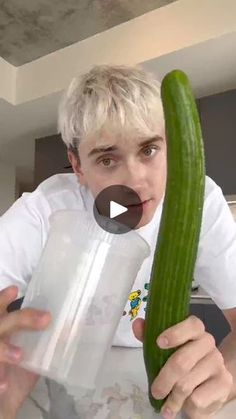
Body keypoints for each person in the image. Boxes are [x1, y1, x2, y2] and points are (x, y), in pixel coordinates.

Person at [0, 64, 236, 419]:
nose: (135, 180)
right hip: (57, 377)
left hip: (153, 383)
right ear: (78, 166)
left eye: (149, 150)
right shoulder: (48, 208)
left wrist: (227, 379)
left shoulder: (198, 200)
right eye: (107, 159)